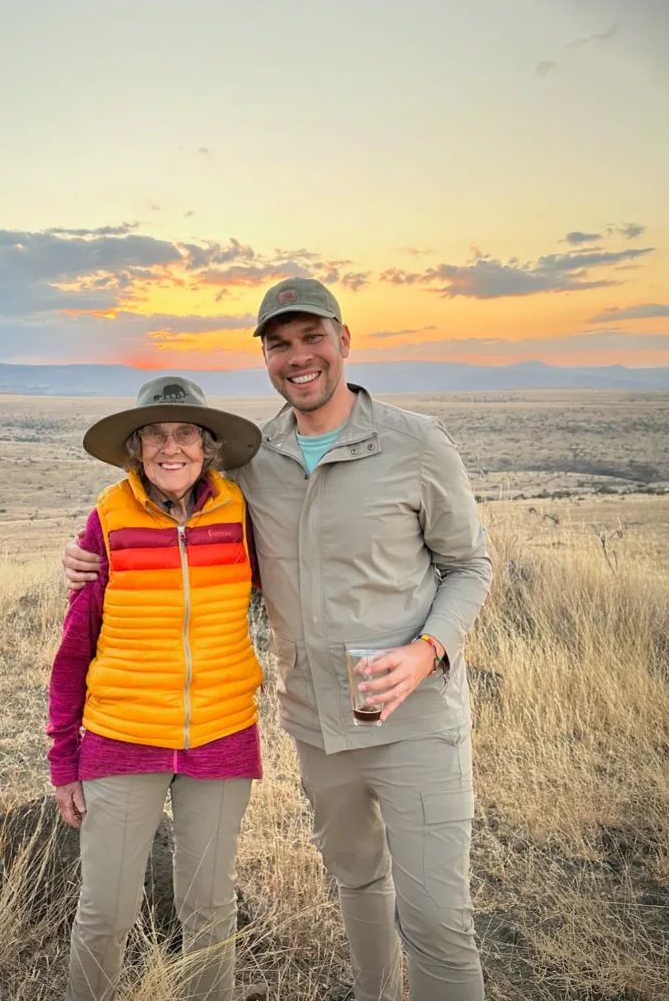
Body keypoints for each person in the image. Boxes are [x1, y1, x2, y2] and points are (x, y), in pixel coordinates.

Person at [64, 278, 493, 1001]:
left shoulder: (416, 443)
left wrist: (427, 651)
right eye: (279, 344)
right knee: (357, 878)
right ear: (266, 356)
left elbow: (470, 564)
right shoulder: (256, 462)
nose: (298, 357)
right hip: (317, 722)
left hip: (414, 719)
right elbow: (174, 507)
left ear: (344, 341)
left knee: (437, 922)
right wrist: (86, 555)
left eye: (312, 338)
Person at [47, 376, 264, 1001]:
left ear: (208, 445)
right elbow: (73, 650)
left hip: (222, 736)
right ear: (137, 448)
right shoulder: (107, 522)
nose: (173, 447)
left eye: (186, 433)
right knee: (106, 912)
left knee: (210, 912)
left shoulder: (241, 513)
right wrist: (64, 759)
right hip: (122, 739)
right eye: (157, 435)